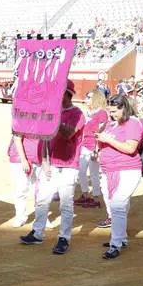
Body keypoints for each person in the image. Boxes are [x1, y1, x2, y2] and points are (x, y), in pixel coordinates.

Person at [20, 80, 85, 254]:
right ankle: (37, 232)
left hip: (68, 165)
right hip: (50, 163)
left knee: (66, 203)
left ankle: (64, 238)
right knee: (42, 199)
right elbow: (43, 139)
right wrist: (44, 161)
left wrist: (53, 117)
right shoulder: (51, 111)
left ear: (67, 94)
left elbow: (68, 133)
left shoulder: (77, 113)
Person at [95, 94, 143, 259]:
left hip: (127, 170)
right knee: (114, 205)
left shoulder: (133, 123)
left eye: (115, 111)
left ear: (124, 108)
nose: (112, 114)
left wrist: (107, 140)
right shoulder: (111, 123)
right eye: (110, 111)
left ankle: (115, 243)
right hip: (110, 170)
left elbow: (131, 148)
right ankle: (120, 239)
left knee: (117, 204)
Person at [75, 89, 107, 208]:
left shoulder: (102, 113)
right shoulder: (87, 113)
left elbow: (101, 132)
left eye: (89, 97)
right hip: (84, 145)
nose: (86, 99)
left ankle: (95, 197)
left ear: (96, 98)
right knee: (81, 171)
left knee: (93, 173)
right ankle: (84, 194)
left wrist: (97, 150)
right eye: (87, 96)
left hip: (94, 146)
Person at [7, 129, 42, 228]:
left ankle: (41, 217)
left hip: (38, 158)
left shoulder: (43, 117)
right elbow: (17, 138)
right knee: (21, 189)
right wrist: (23, 159)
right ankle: (20, 217)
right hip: (21, 159)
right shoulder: (22, 116)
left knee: (40, 190)